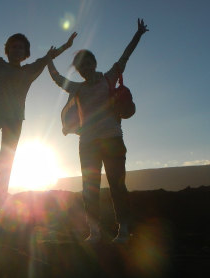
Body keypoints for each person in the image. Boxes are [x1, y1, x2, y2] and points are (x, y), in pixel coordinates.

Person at [0, 10, 77, 208]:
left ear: (26, 53)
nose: (17, 50)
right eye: (13, 47)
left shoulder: (29, 71)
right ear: (7, 50)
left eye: (21, 47)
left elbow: (48, 57)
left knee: (5, 164)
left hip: (15, 121)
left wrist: (67, 46)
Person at [47, 18, 148, 244]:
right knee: (89, 188)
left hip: (112, 139)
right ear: (79, 70)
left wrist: (138, 35)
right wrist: (48, 60)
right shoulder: (78, 87)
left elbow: (125, 57)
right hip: (88, 143)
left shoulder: (109, 77)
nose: (85, 68)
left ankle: (123, 230)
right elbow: (57, 79)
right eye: (80, 66)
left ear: (94, 63)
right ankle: (95, 231)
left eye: (87, 63)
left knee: (117, 185)